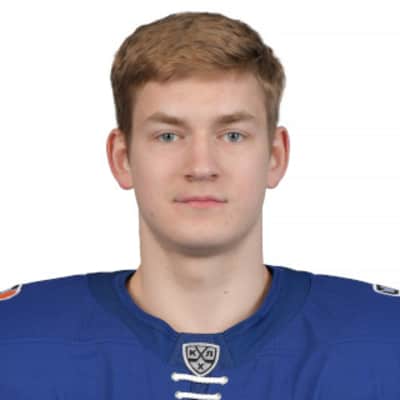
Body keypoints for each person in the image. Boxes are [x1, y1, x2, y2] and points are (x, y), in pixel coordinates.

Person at [1, 11, 399, 399]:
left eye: (232, 135)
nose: (201, 166)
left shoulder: (386, 340)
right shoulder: (14, 341)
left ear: (275, 156)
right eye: (168, 136)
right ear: (122, 159)